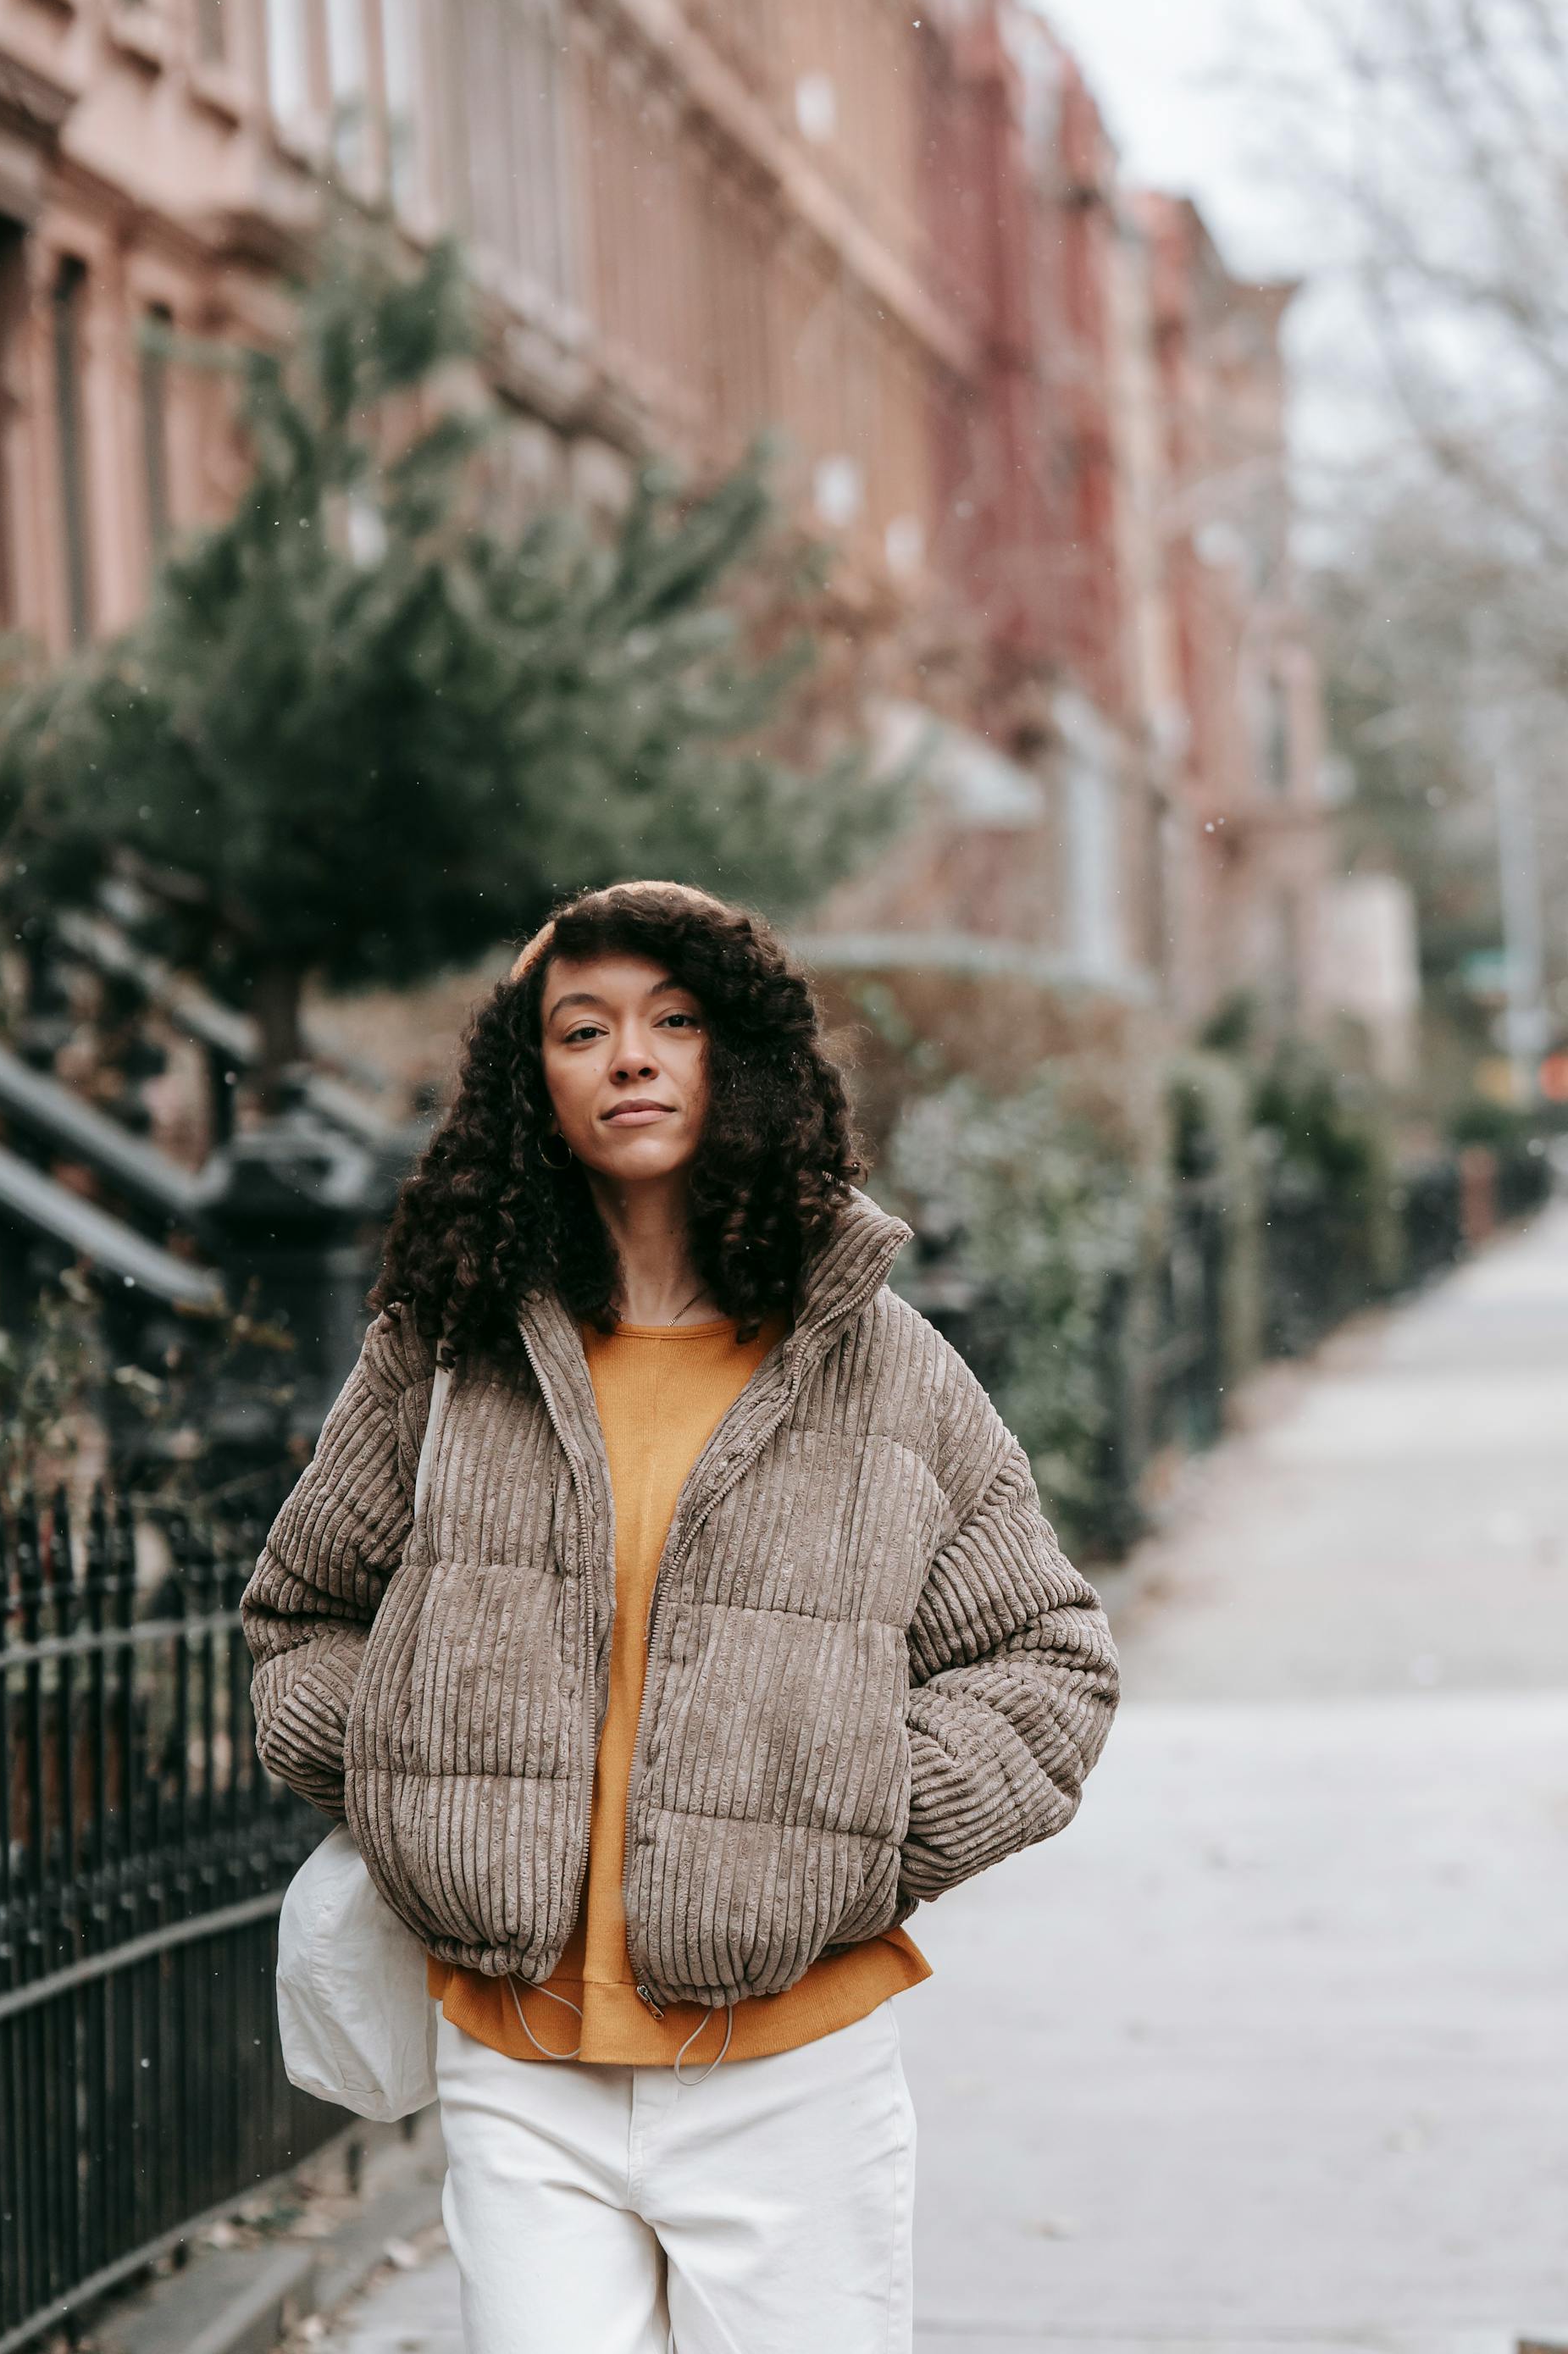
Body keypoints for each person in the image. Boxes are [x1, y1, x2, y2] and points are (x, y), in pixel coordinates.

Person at [241, 878, 1119, 2354]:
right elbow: (301, 1616)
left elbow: (1047, 1658)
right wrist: (413, 1778)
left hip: (796, 2075)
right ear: (538, 1083)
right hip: (520, 2070)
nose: (631, 1057)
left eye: (675, 1021)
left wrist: (866, 1815)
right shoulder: (450, 1352)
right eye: (583, 1030)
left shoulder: (876, 1365)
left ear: (741, 1060)